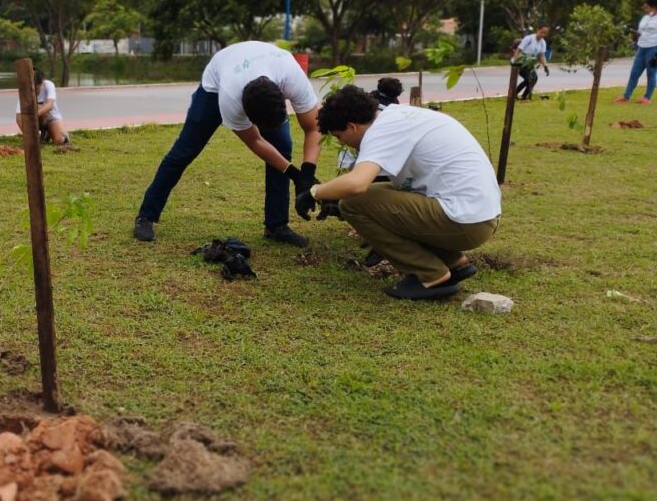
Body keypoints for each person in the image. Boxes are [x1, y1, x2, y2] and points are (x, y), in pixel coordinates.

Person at [295, 85, 501, 300]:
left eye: (339, 136)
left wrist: (314, 192)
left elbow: (357, 183)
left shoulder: (381, 131)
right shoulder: (395, 117)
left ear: (352, 126)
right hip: (476, 214)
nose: (341, 142)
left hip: (467, 221)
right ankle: (452, 262)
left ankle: (430, 275)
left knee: (353, 204)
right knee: (369, 198)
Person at [133, 41, 321, 247]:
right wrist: (294, 174)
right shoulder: (230, 98)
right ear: (246, 113)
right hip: (214, 86)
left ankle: (276, 226)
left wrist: (307, 174)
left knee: (283, 146)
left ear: (282, 95)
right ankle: (146, 215)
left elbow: (313, 128)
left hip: (262, 71)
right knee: (184, 151)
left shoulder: (291, 76)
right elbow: (256, 141)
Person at [614, 0, 657, 104]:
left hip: (654, 48)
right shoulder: (646, 17)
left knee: (651, 72)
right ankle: (626, 96)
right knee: (634, 72)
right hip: (641, 48)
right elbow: (640, 32)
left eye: (649, 5)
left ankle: (647, 97)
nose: (647, 7)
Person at [16, 68, 70, 145]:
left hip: (51, 117)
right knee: (35, 109)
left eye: (37, 89)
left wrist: (34, 114)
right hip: (34, 120)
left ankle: (48, 132)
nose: (34, 92)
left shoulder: (49, 85)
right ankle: (40, 136)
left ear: (42, 82)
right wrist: (30, 135)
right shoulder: (25, 91)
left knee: (60, 140)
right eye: (32, 89)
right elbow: (18, 118)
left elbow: (49, 105)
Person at [513, 24, 550, 100]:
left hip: (530, 63)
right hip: (522, 61)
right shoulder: (529, 39)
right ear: (538, 30)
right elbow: (518, 50)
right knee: (528, 79)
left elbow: (541, 56)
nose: (543, 35)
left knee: (534, 79)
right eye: (542, 32)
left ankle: (524, 96)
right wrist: (515, 62)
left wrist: (545, 66)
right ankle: (514, 94)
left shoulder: (543, 43)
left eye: (545, 33)